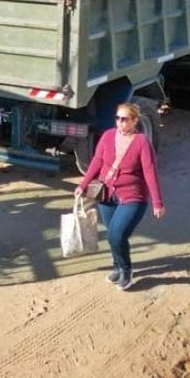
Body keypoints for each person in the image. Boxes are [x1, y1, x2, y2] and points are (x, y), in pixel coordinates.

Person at [75, 102, 165, 290]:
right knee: (112, 235)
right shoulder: (108, 136)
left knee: (117, 235)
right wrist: (83, 185)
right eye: (117, 118)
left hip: (133, 197)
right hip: (106, 195)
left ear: (134, 121)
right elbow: (97, 162)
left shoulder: (141, 142)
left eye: (124, 119)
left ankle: (126, 270)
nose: (120, 122)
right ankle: (117, 267)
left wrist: (157, 202)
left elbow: (150, 172)